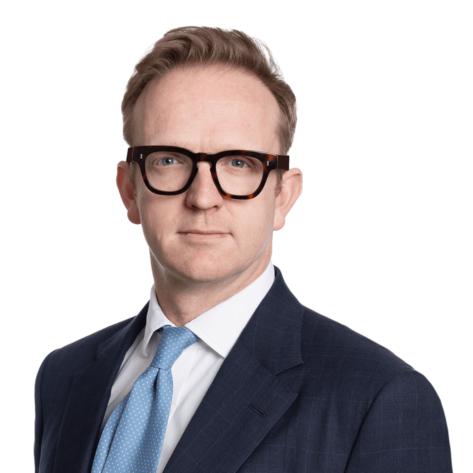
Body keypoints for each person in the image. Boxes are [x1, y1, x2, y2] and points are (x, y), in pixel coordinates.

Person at [34, 26, 452, 473]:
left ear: (283, 196)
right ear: (129, 190)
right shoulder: (64, 377)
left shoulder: (378, 398)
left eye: (239, 163)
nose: (203, 197)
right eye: (169, 160)